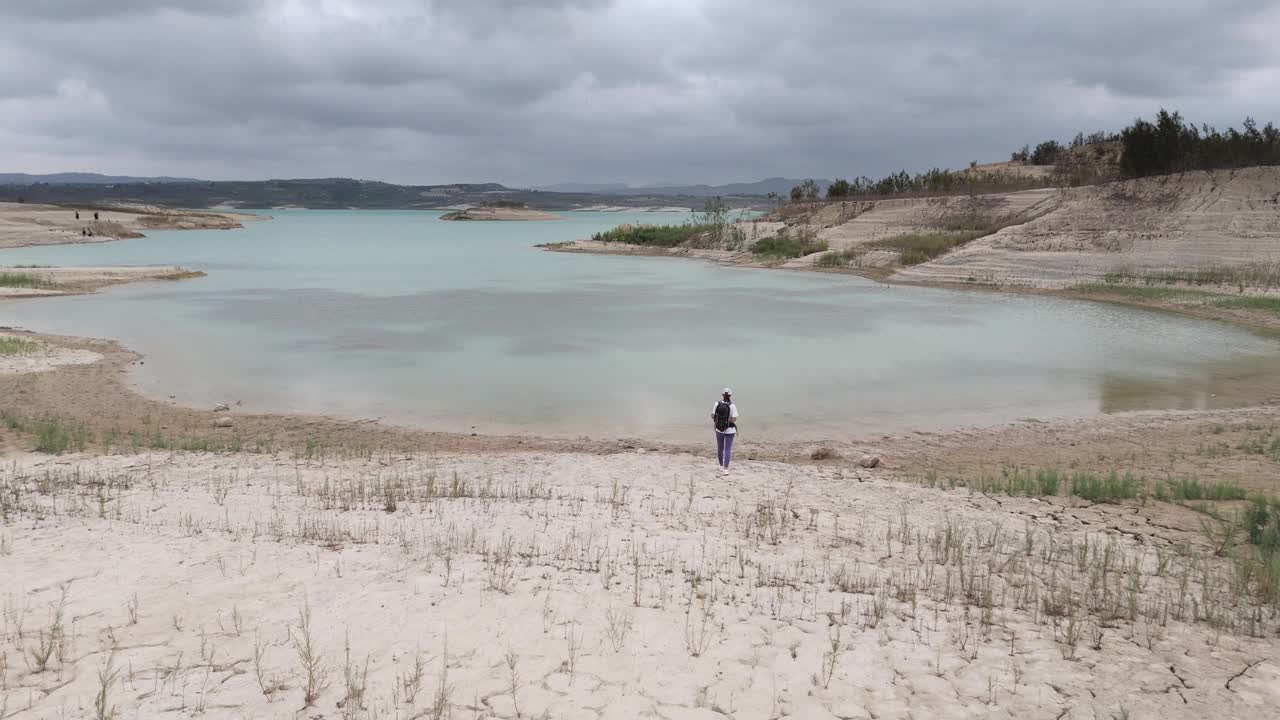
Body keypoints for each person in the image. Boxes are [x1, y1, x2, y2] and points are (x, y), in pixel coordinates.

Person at [711, 388, 739, 475]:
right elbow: (734, 419)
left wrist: (719, 421)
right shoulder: (732, 406)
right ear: (730, 395)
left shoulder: (717, 403)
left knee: (720, 448)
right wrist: (728, 420)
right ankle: (725, 469)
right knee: (727, 449)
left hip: (719, 429)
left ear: (722, 395)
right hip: (730, 430)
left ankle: (720, 466)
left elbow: (712, 416)